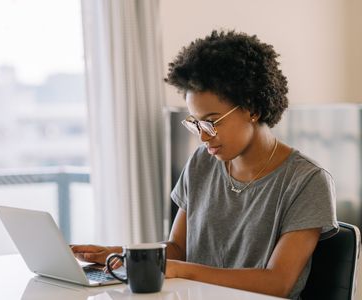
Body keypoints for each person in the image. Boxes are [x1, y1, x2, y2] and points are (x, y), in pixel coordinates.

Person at [71, 30, 338, 299]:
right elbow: (178, 248)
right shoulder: (202, 162)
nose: (203, 135)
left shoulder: (306, 181)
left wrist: (180, 270)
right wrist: (122, 255)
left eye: (212, 121)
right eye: (195, 123)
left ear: (253, 109)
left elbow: (278, 283)